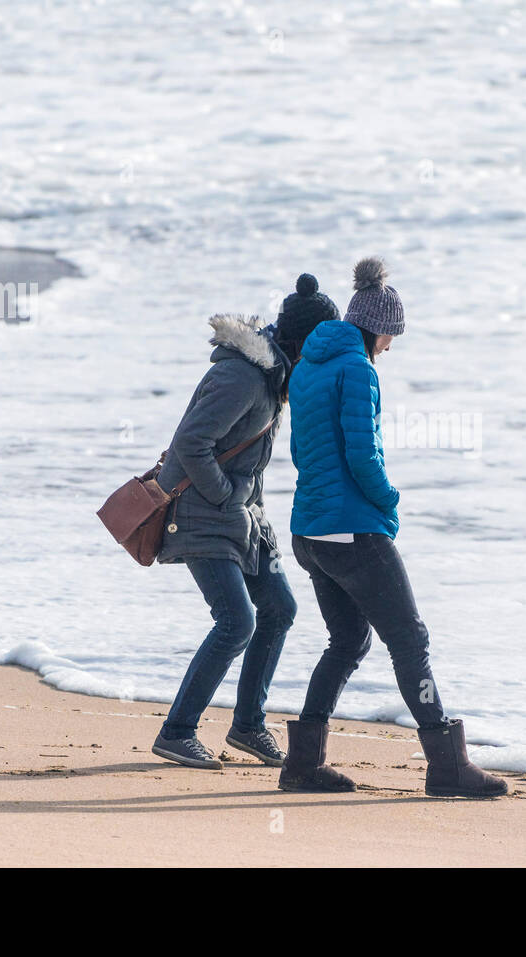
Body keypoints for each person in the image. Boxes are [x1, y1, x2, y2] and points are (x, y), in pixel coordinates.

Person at [278, 257, 507, 798]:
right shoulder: (357, 368)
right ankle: (447, 766)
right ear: (376, 326)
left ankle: (303, 764)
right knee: (410, 640)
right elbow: (363, 453)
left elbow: (303, 451)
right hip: (353, 529)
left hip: (310, 532)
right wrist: (389, 500)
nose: (390, 347)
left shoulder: (307, 366)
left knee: (347, 641)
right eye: (390, 336)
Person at [150, 277, 340, 770]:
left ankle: (248, 726)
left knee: (279, 608)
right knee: (237, 621)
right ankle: (176, 732)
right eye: (323, 346)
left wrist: (252, 511)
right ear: (304, 343)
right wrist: (230, 496)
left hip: (242, 519)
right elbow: (192, 443)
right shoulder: (242, 378)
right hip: (201, 515)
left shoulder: (274, 376)